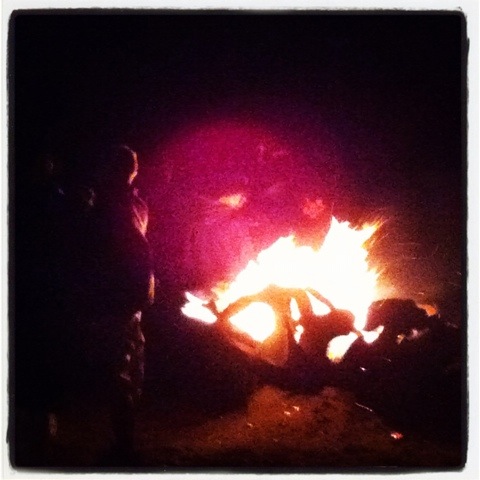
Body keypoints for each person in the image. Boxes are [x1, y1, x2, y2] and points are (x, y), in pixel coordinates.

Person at [77, 144, 155, 459]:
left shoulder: (106, 208)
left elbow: (94, 251)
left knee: (119, 369)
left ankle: (124, 444)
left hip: (116, 297)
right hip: (133, 296)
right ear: (133, 171)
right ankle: (126, 438)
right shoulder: (137, 204)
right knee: (129, 365)